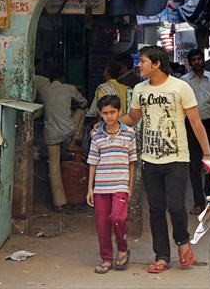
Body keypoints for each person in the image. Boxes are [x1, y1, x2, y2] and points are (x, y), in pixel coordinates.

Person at [119, 45, 210, 274]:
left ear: (156, 64)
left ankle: (182, 240)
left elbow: (196, 123)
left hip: (177, 157)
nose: (139, 65)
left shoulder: (181, 87)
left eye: (142, 61)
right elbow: (133, 117)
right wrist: (110, 123)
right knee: (156, 209)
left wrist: (208, 154)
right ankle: (161, 256)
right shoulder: (140, 89)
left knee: (176, 206)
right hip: (149, 159)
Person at [86, 95, 137, 274]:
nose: (109, 116)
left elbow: (132, 162)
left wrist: (130, 186)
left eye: (113, 112)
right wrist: (90, 188)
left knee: (116, 218)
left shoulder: (129, 133)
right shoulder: (97, 136)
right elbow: (92, 162)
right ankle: (106, 258)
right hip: (101, 187)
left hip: (120, 186)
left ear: (120, 112)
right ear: (100, 114)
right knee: (101, 225)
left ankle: (122, 247)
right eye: (105, 113)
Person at [181, 49, 210, 215]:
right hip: (190, 126)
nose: (196, 62)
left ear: (203, 60)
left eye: (199, 59)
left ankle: (209, 197)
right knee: (194, 165)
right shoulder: (184, 81)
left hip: (209, 125)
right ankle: (198, 202)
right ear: (189, 62)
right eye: (193, 60)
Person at [38, 68, 87, 213]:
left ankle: (59, 203)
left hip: (51, 134)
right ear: (63, 78)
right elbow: (83, 103)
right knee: (81, 111)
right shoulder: (69, 88)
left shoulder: (43, 90)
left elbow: (40, 102)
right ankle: (75, 139)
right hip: (68, 130)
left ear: (51, 79)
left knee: (53, 166)